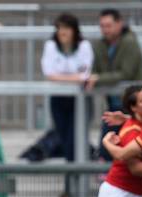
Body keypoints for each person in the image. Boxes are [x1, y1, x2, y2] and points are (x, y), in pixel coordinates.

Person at [87, 9, 142, 161]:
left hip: (133, 104)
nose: (105, 30)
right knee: (109, 145)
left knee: (127, 145)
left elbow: (125, 73)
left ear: (120, 24)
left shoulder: (129, 42)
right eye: (102, 26)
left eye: (109, 25)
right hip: (114, 103)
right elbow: (94, 69)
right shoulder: (101, 45)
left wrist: (98, 78)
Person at [41, 13, 93, 162]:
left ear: (75, 30)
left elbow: (85, 74)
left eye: (66, 28)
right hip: (59, 99)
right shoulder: (50, 46)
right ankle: (71, 182)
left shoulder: (84, 46)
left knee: (75, 141)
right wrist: (75, 78)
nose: (62, 32)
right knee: (65, 141)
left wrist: (64, 78)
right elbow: (49, 73)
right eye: (59, 28)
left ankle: (75, 182)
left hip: (80, 100)